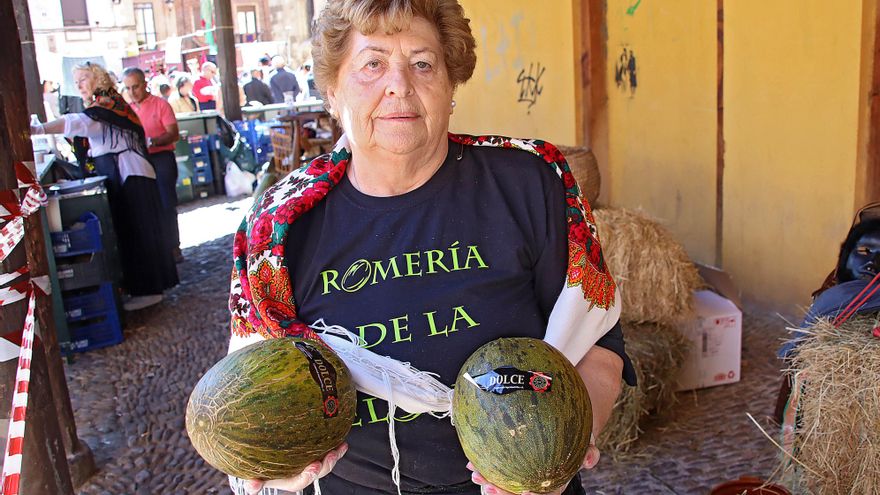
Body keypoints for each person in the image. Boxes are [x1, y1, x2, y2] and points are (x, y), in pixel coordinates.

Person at [227, 2, 635, 494]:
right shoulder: (277, 227)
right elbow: (256, 390)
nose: (399, 84)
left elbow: (599, 345)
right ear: (332, 91)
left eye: (422, 63)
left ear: (450, 86)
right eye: (372, 64)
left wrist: (559, 451)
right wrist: (275, 462)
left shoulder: (530, 183)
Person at [30, 62, 178, 311]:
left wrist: (40, 129)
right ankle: (149, 287)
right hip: (131, 174)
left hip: (132, 175)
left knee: (139, 232)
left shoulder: (105, 106)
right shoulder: (108, 104)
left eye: (84, 79)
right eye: (76, 81)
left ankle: (150, 289)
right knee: (137, 231)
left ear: (97, 79)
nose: (79, 85)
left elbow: (79, 123)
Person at [123, 67, 184, 263]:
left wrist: (154, 141)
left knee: (166, 203)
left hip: (161, 157)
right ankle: (156, 248)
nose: (132, 92)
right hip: (138, 160)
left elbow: (173, 133)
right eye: (128, 88)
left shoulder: (160, 105)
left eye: (135, 87)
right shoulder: (127, 110)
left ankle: (174, 246)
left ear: (144, 84)